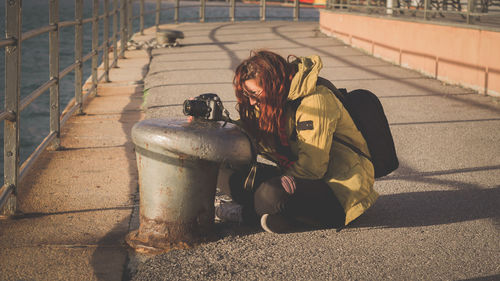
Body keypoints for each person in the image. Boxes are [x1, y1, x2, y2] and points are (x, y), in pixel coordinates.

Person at [216, 50, 378, 234]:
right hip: (296, 177)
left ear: (274, 84)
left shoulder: (315, 102)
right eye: (247, 94)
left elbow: (312, 168)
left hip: (338, 190)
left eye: (255, 93)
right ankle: (279, 215)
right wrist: (218, 125)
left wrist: (274, 184)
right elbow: (252, 134)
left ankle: (249, 213)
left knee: (270, 194)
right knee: (222, 168)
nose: (252, 102)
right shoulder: (271, 101)